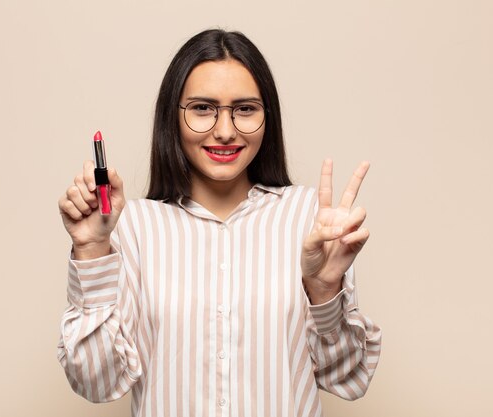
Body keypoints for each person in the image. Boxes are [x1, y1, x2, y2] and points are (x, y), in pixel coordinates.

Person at [57, 29, 381, 417]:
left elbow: (348, 378)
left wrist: (324, 289)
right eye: (202, 108)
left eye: (244, 109)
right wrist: (93, 250)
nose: (225, 130)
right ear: (172, 117)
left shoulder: (310, 218)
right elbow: (97, 382)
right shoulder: (133, 227)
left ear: (267, 117)